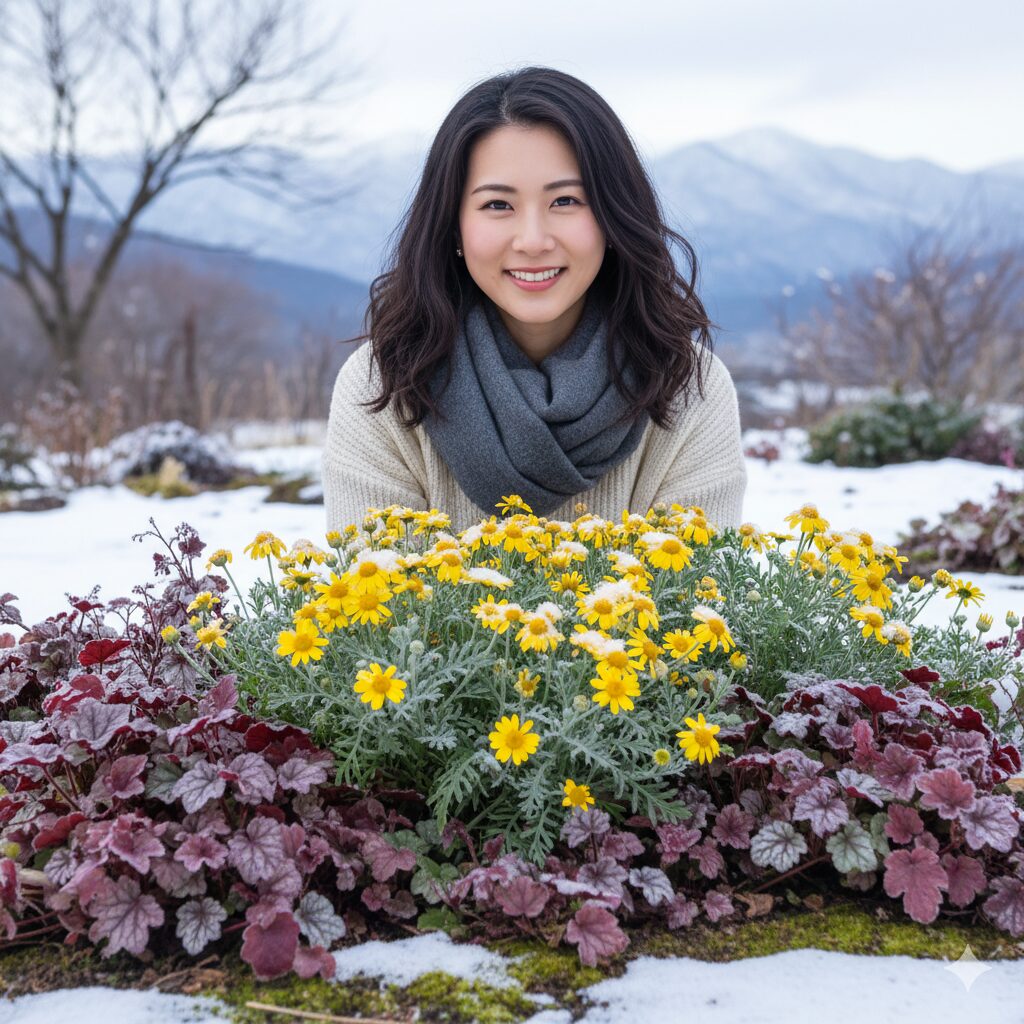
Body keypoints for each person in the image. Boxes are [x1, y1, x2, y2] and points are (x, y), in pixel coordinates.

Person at [323, 66, 747, 535]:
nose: (532, 240)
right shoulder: (383, 385)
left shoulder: (689, 386)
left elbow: (696, 598)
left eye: (565, 201)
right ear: (453, 226)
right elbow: (374, 602)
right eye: (497, 205)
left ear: (613, 216)